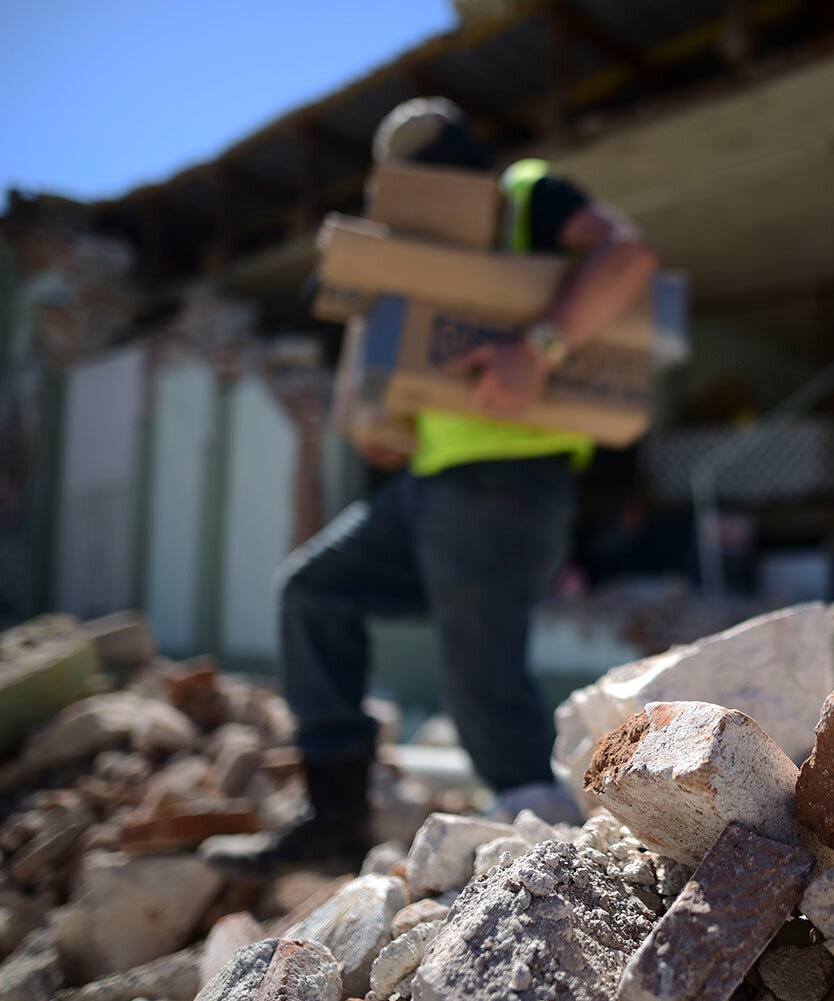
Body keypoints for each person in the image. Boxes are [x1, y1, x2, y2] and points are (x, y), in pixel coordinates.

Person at [208, 98, 658, 874]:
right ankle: (337, 814)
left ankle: (544, 848)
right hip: (433, 480)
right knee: (313, 590)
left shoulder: (526, 193)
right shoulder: (414, 245)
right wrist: (395, 424)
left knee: (475, 662)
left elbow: (627, 257)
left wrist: (540, 347)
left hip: (513, 477)